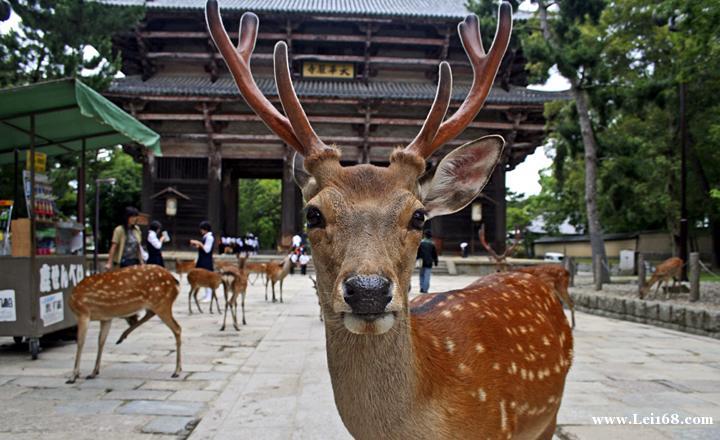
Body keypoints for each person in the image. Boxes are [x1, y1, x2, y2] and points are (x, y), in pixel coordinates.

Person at [190, 221, 214, 301]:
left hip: (206, 259)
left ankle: (209, 295)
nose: (201, 231)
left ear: (205, 229)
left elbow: (207, 250)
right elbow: (202, 247)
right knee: (202, 277)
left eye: (202, 229)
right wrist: (197, 245)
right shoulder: (205, 237)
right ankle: (206, 294)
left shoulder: (210, 238)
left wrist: (199, 243)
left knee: (207, 277)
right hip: (202, 258)